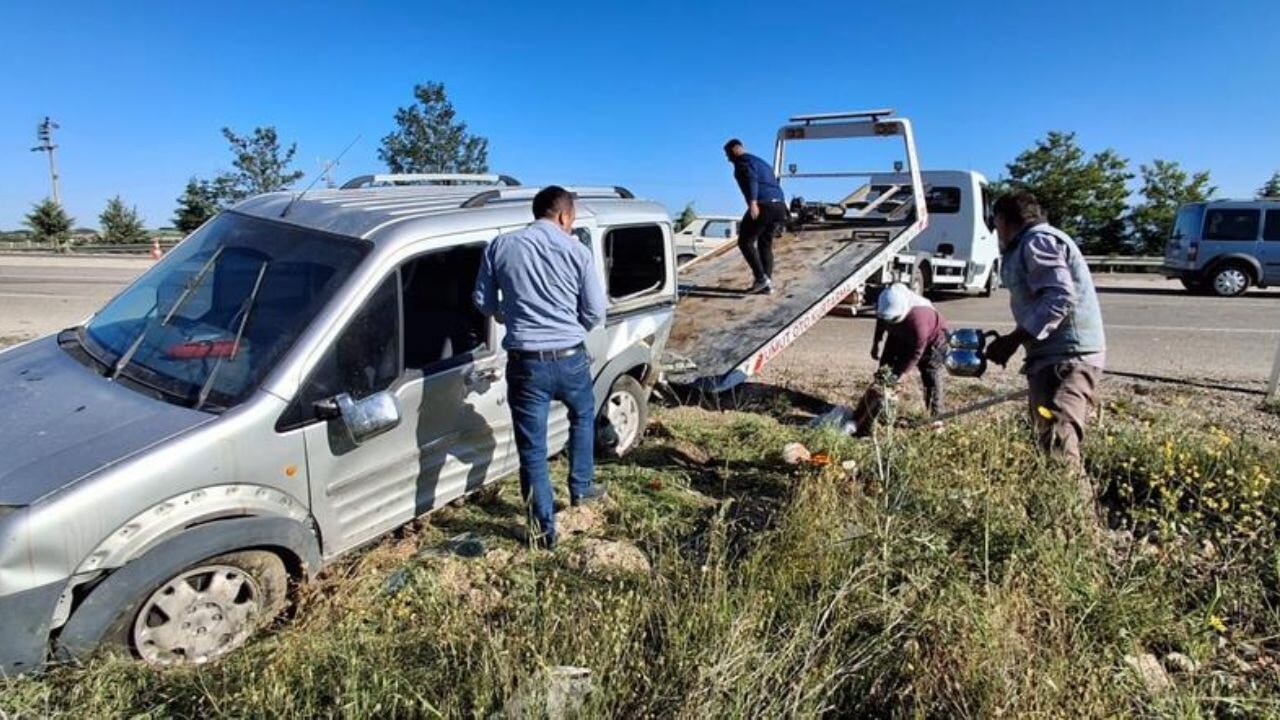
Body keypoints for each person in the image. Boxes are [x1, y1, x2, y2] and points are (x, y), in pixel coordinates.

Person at [473, 186, 608, 548]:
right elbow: (596, 310)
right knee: (582, 416)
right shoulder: (577, 251)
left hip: (525, 363)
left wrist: (510, 315)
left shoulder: (500, 246)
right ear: (564, 216)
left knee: (532, 449)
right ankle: (581, 489)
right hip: (569, 357)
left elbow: (482, 300)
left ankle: (543, 533)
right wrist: (568, 331)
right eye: (573, 219)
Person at [984, 190, 1107, 479]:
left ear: (1002, 220)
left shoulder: (1037, 240)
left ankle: (1073, 523)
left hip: (1066, 359)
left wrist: (1014, 340)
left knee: (1058, 451)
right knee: (1049, 443)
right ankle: (1060, 519)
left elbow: (1059, 297)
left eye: (996, 223)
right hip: (1056, 357)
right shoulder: (1037, 240)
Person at [850, 283, 948, 434]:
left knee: (931, 376)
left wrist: (902, 374)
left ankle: (936, 419)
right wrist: (876, 343)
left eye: (893, 319)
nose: (889, 321)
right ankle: (869, 413)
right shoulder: (887, 304)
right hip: (899, 334)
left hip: (932, 342)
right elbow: (882, 321)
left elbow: (916, 353)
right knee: (884, 374)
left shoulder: (919, 321)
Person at [724, 139, 788, 295]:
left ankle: (761, 279)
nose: (728, 159)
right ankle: (766, 284)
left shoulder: (743, 162)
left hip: (763, 204)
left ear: (735, 150)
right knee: (765, 244)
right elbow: (773, 182)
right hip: (779, 205)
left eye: (728, 154)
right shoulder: (761, 162)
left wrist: (753, 202)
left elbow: (751, 179)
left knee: (745, 241)